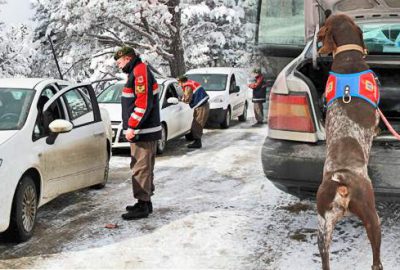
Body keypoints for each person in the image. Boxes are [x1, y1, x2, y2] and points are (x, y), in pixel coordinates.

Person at [114, 46, 161, 220]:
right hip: (145, 129)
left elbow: (143, 103)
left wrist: (132, 126)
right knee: (144, 167)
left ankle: (143, 204)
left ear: (127, 58)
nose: (118, 66)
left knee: (140, 168)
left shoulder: (140, 72)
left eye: (119, 62)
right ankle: (145, 202)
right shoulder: (137, 70)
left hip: (143, 131)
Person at [177, 75, 210, 149]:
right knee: (196, 123)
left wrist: (180, 99)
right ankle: (197, 141)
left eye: (178, 82)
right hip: (201, 105)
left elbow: (187, 99)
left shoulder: (187, 86)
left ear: (181, 82)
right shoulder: (190, 83)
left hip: (201, 106)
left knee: (197, 124)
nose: (178, 85)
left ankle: (197, 143)